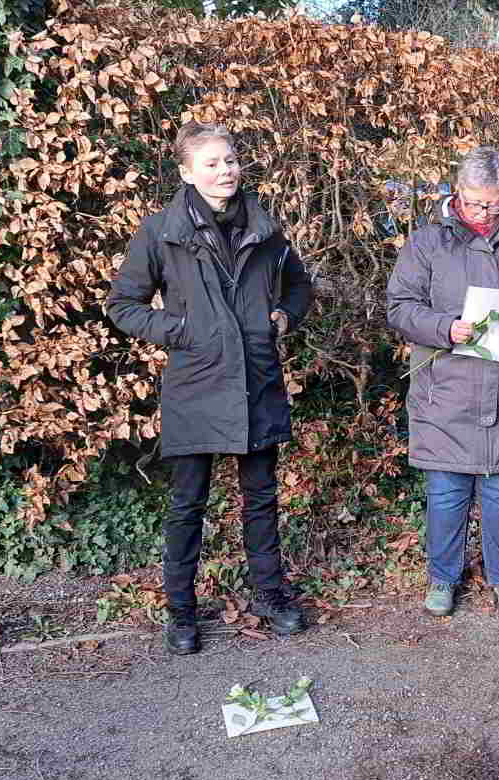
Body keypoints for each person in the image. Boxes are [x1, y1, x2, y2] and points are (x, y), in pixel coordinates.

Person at [107, 121, 313, 654]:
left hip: (256, 380)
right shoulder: (160, 231)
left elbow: (298, 284)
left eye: (230, 160)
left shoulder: (265, 229)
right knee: (187, 504)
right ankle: (180, 611)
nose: (225, 171)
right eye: (212, 164)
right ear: (186, 172)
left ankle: (270, 597)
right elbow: (123, 306)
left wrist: (284, 317)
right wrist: (177, 330)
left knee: (261, 500)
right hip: (196, 383)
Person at [386, 147, 499, 617]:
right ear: (457, 193)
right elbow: (399, 307)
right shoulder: (427, 242)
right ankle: (443, 579)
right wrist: (445, 327)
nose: (484, 213)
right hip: (445, 390)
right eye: (474, 203)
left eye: (493, 203)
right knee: (446, 492)